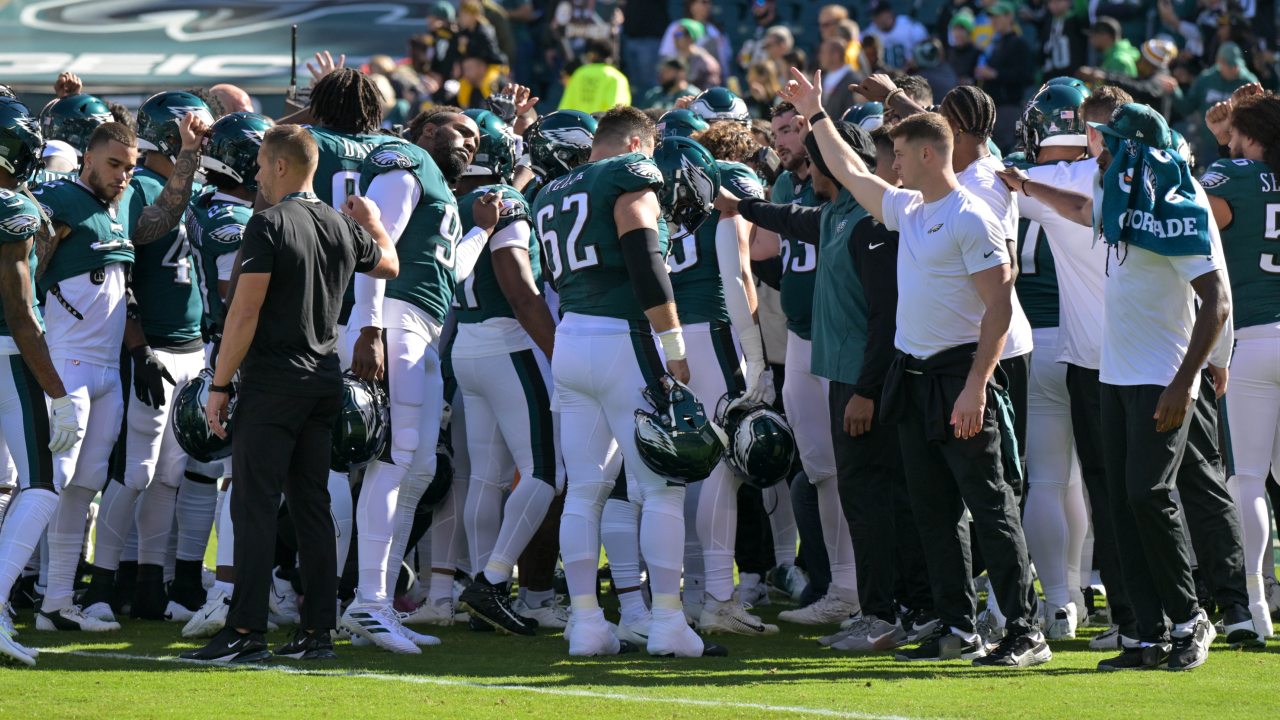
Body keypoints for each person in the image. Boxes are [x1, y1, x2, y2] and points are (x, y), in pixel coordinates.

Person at [781, 67, 1050, 668]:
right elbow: (850, 173)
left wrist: (977, 386)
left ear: (928, 154)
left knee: (992, 506)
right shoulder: (909, 209)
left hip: (960, 377)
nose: (890, 163)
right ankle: (955, 626)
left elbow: (999, 309)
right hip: (914, 376)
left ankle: (1025, 632)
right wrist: (815, 112)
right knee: (931, 512)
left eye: (899, 152)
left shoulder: (970, 215)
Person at [999, 103, 1233, 671]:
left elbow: (1217, 302)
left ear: (1134, 148)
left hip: (1162, 375)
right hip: (1116, 372)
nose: (1094, 154)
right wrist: (1026, 183)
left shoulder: (1179, 202)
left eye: (1105, 144)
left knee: (1148, 495)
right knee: (1123, 506)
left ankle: (1189, 617)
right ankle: (1145, 635)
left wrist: (1185, 382)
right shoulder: (1117, 195)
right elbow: (1081, 208)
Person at [181, 124, 398, 663]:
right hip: (323, 382)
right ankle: (317, 632)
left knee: (254, 507)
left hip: (274, 384)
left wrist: (221, 384)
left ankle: (246, 632)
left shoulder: (268, 224)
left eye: (259, 164)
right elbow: (388, 264)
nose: (255, 173)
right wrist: (373, 223)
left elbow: (245, 312)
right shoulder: (338, 224)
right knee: (312, 508)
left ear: (281, 165)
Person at [535, 105, 721, 658]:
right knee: (662, 486)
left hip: (571, 339)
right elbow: (644, 257)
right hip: (624, 337)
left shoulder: (550, 189)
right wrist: (675, 346)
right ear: (638, 143)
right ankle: (667, 623)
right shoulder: (630, 172)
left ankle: (587, 625)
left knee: (584, 492)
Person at [31, 115, 207, 633]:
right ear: (88, 157)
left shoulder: (120, 206)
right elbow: (25, 271)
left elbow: (164, 217)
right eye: (113, 165)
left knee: (84, 484)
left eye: (130, 168)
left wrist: (190, 155)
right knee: (47, 485)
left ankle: (57, 603)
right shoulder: (61, 201)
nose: (123, 176)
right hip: (66, 364)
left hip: (108, 369)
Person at [344, 108, 487, 651]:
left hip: (423, 324)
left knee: (420, 467)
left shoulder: (440, 188)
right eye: (462, 132)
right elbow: (373, 246)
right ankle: (366, 601)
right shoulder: (410, 163)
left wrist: (480, 230)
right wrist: (370, 327)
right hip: (396, 319)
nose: (471, 143)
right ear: (428, 130)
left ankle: (378, 602)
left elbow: (447, 269)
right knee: (396, 459)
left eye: (477, 136)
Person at [78, 92, 219, 624]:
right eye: (194, 131)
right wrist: (138, 349)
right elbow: (138, 245)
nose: (203, 142)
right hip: (154, 345)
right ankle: (100, 587)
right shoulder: (137, 187)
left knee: (169, 477)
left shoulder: (187, 184)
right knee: (135, 473)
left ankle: (149, 586)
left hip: (190, 346)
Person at [448, 111, 565, 635]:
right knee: (545, 472)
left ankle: (480, 586)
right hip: (507, 345)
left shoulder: (456, 200)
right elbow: (520, 289)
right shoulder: (507, 204)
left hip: (467, 344)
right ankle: (491, 582)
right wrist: (561, 353)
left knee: (485, 478)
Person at [661, 122, 773, 637]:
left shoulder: (657, 206)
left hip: (671, 342)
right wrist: (757, 358)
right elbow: (739, 279)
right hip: (716, 336)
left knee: (682, 471)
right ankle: (720, 600)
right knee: (723, 470)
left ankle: (687, 595)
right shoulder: (724, 197)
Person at [0, 98, 82, 665]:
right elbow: (22, 315)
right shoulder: (11, 208)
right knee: (41, 485)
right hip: (6, 356)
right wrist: (57, 394)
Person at [1201, 89, 1280, 640]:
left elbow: (1195, 209)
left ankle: (1253, 606)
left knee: (1247, 475)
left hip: (1251, 335)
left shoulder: (1234, 175)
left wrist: (1224, 144)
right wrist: (1234, 134)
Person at [1177, 42, 1260, 164]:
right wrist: (1174, 93)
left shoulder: (1248, 82)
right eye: (1230, 65)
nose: (1234, 69)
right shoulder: (1205, 79)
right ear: (1219, 61)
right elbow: (1187, 107)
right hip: (1210, 148)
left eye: (1236, 64)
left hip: (1239, 151)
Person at [975, 2, 1035, 150]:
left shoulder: (1019, 44)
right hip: (993, 107)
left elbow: (1027, 76)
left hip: (1008, 108)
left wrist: (995, 74)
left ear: (1010, 17)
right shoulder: (996, 44)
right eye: (992, 16)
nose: (993, 20)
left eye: (998, 16)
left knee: (1003, 149)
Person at [1077, 38, 1182, 118]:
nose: (1138, 60)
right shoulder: (1152, 73)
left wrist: (1105, 77)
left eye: (1141, 58)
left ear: (1149, 63)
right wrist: (1103, 75)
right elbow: (1132, 79)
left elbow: (1141, 88)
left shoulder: (1161, 78)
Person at [559, 40, 632, 114]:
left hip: (577, 124)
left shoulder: (579, 73)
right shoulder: (616, 77)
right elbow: (618, 110)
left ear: (593, 54)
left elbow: (565, 106)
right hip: (601, 125)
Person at [864, 0, 930, 71]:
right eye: (873, 16)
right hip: (883, 77)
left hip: (910, 74)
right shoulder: (870, 32)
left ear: (889, 13)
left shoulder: (909, 26)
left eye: (878, 15)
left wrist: (916, 60)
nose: (875, 19)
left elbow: (927, 48)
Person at [1038, 0, 1089, 79]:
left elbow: (1083, 11)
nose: (1055, 4)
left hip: (1074, 77)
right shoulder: (1046, 26)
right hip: (1053, 78)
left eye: (1059, 1)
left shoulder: (1076, 21)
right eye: (1051, 2)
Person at [672, 20, 722, 91]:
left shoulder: (705, 62)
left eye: (679, 34)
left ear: (690, 37)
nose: (675, 38)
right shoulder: (676, 59)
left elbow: (711, 90)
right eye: (674, 34)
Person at [819, 38, 860, 121]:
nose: (820, 57)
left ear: (836, 55)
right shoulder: (823, 77)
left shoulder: (853, 80)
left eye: (823, 53)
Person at [948, 11, 981, 86]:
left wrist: (971, 81)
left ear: (969, 32)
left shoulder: (977, 54)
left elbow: (981, 78)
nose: (958, 34)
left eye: (962, 30)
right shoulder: (949, 52)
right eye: (955, 29)